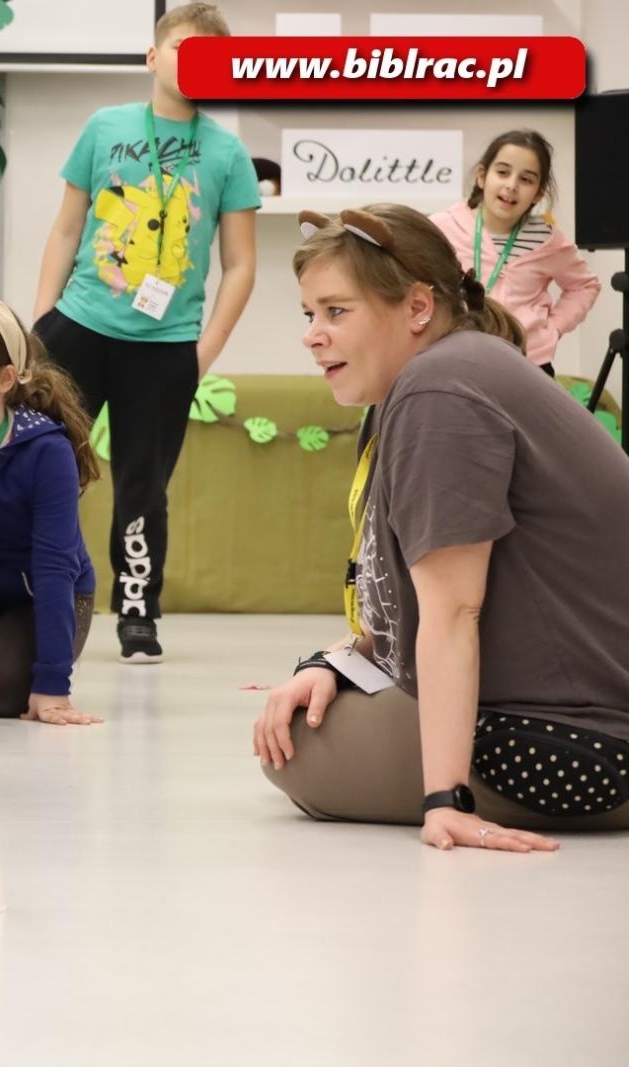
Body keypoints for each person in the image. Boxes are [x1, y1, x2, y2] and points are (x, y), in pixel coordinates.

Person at [255, 204, 629, 851]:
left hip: (587, 736)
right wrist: (338, 664)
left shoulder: (439, 391)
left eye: (336, 311)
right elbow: (408, 606)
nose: (313, 335)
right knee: (303, 707)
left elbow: (455, 610)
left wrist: (445, 801)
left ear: (418, 308)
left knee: (295, 748)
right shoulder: (443, 375)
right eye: (309, 314)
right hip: (582, 712)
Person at [32, 1, 259, 663]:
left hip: (165, 350)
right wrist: (41, 323)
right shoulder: (105, 127)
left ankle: (136, 612)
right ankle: (29, 593)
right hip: (79, 328)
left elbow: (241, 265)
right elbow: (66, 229)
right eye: (185, 49)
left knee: (142, 488)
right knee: (46, 468)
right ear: (153, 56)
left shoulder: (227, 153)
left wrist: (202, 351)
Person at [0, 291, 102, 729]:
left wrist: (53, 686)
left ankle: (2, 657)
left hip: (38, 596)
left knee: (5, 691)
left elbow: (54, 568)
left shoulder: (45, 450)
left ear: (6, 378)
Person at [430, 129, 600, 377]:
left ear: (538, 193)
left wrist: (554, 328)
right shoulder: (443, 227)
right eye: (502, 172)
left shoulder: (547, 240)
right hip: (458, 359)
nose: (511, 185)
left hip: (528, 363)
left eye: (526, 179)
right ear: (482, 177)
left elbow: (585, 286)